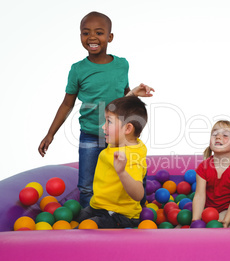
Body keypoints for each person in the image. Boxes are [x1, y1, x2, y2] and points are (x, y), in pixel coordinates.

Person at [37, 11, 154, 208]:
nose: (91, 37)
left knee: (134, 174)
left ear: (110, 37)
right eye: (85, 33)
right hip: (91, 134)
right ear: (80, 36)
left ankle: (137, 213)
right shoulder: (78, 70)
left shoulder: (121, 65)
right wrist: (51, 134)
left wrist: (133, 93)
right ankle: (88, 222)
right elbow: (67, 103)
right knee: (86, 184)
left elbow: (122, 99)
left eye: (99, 33)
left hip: (120, 137)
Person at [75, 96, 148, 228]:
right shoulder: (119, 142)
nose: (103, 127)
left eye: (109, 122)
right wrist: (132, 95)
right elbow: (122, 113)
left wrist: (122, 172)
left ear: (127, 129)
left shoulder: (131, 157)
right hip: (98, 206)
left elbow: (138, 194)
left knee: (85, 229)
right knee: (74, 217)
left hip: (118, 214)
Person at [192, 120, 230, 228]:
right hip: (210, 209)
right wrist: (195, 220)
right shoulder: (203, 167)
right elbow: (199, 196)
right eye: (214, 134)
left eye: (225, 135)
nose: (218, 137)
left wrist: (226, 221)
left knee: (220, 225)